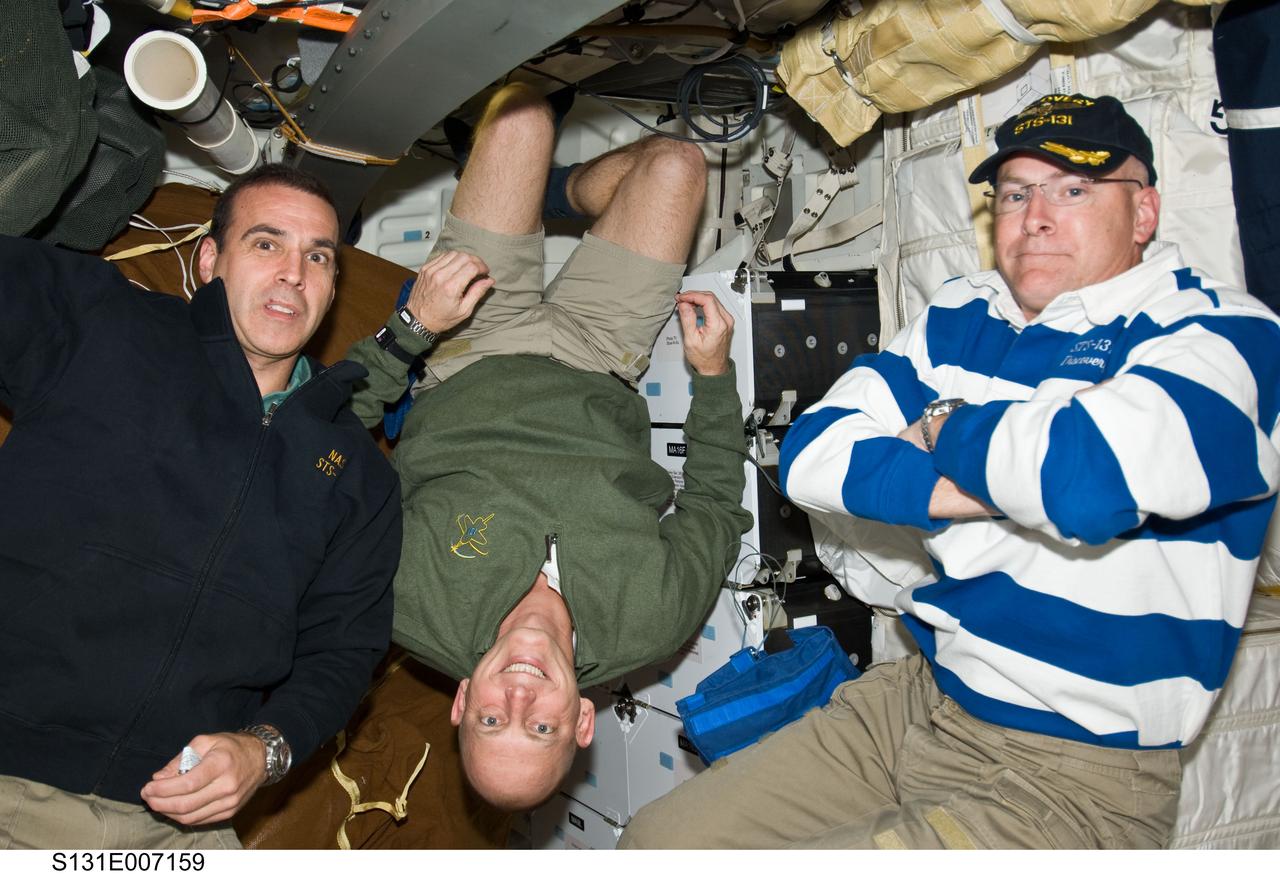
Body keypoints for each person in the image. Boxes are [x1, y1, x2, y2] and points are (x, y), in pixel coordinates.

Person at [619, 93, 1280, 849]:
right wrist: (970, 492)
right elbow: (810, 451)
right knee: (656, 843)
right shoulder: (965, 313)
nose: (1036, 216)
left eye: (1074, 190)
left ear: (1144, 212)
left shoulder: (1223, 335)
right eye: (1015, 193)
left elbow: (1085, 481)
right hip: (920, 697)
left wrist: (938, 424)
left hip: (1070, 777)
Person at [347, 83, 752, 811]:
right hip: (605, 352)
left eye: (493, 717)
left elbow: (334, 452)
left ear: (462, 700)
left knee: (522, 115)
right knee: (678, 163)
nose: (521, 692)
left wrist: (411, 329)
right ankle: (563, 196)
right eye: (541, 726)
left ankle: (555, 191)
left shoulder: (404, 605)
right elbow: (717, 507)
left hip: (468, 344)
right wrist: (714, 380)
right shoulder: (652, 622)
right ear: (582, 720)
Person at [0, 164, 401, 849]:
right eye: (267, 244)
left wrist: (265, 749)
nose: (294, 274)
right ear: (211, 260)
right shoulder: (104, 325)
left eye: (318, 257)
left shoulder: (359, 474)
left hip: (176, 827)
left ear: (333, 288)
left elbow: (345, 649)